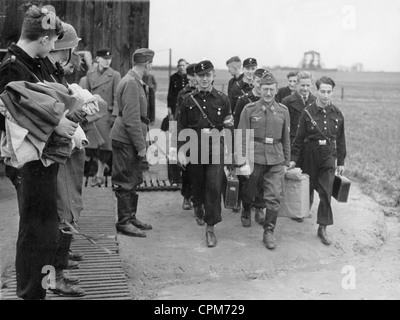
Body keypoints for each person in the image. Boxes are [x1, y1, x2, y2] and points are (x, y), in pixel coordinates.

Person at [0, 5, 77, 300]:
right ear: (44, 39)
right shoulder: (11, 68)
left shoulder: (37, 62)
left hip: (45, 157)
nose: (55, 49)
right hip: (27, 162)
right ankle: (31, 293)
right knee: (36, 229)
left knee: (46, 228)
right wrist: (55, 121)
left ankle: (39, 291)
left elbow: (54, 94)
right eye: (53, 42)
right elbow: (9, 118)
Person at [43, 21, 86, 297]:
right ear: (67, 50)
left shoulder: (53, 72)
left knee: (66, 207)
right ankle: (54, 277)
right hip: (53, 153)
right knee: (58, 212)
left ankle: (59, 265)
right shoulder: (48, 75)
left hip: (62, 150)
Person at [177, 60, 233, 248]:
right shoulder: (188, 100)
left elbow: (229, 127)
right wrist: (181, 151)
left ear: (213, 76)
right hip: (194, 147)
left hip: (216, 148)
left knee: (215, 187)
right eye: (200, 76)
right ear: (196, 78)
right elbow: (181, 127)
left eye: (207, 75)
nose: (204, 79)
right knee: (198, 185)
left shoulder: (223, 99)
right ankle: (198, 205)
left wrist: (230, 152)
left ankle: (210, 228)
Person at [289, 76, 346, 246]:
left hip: (328, 155)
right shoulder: (307, 113)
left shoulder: (337, 113)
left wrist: (341, 161)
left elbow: (341, 139)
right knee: (308, 187)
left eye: (329, 92)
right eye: (322, 91)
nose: (325, 95)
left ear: (332, 92)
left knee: (326, 192)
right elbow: (298, 139)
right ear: (317, 91)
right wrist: (293, 160)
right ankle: (302, 209)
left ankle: (323, 227)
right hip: (309, 154)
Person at [237, 72, 290, 250]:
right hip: (254, 157)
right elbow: (242, 136)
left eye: (272, 90)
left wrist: (286, 161)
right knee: (249, 190)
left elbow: (286, 138)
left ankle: (269, 231)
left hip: (275, 159)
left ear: (276, 91)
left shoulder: (283, 111)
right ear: (259, 89)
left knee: (274, 196)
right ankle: (246, 208)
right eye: (265, 89)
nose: (268, 93)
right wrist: (241, 160)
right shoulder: (249, 109)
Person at [110, 48, 154, 237]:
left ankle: (131, 217)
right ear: (147, 64)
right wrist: (141, 147)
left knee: (133, 179)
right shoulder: (131, 83)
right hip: (126, 139)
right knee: (125, 181)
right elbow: (132, 119)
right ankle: (124, 222)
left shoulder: (134, 81)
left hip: (129, 138)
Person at [233, 68, 269, 225]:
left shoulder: (271, 101)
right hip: (248, 144)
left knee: (263, 179)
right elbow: (236, 125)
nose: (261, 86)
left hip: (265, 145)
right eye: (258, 82)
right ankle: (246, 209)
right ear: (253, 81)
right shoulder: (244, 100)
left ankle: (260, 208)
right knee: (248, 179)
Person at [85, 48, 121, 187]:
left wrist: (115, 115)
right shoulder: (90, 73)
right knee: (92, 144)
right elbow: (86, 94)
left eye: (109, 59)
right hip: (93, 114)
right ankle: (97, 170)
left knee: (106, 146)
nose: (107, 61)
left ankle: (100, 174)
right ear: (97, 59)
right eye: (104, 59)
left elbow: (117, 97)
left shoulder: (115, 75)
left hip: (106, 116)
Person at [174, 63, 197, 210]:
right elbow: (178, 118)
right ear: (188, 76)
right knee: (187, 170)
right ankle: (186, 197)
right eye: (193, 75)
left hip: (202, 135)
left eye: (198, 75)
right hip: (187, 135)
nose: (196, 78)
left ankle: (198, 198)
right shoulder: (183, 94)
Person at [282, 71, 317, 144]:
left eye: (308, 85)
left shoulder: (316, 102)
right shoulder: (287, 102)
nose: (305, 88)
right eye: (302, 85)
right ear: (297, 84)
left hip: (311, 145)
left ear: (311, 85)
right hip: (293, 143)